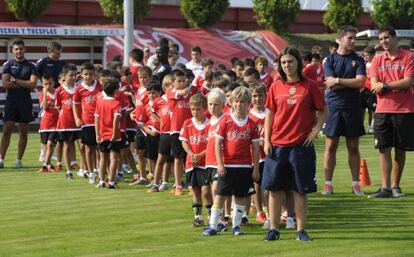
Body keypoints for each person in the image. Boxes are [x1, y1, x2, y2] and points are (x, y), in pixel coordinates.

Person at [262, 47, 327, 241]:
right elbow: (270, 114)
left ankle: (300, 231)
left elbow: (323, 110)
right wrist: (266, 140)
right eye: (283, 62)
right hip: (277, 144)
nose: (287, 65)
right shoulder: (275, 86)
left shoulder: (310, 85)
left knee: (300, 189)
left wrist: (316, 130)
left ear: (298, 62)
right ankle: (274, 230)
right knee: (274, 189)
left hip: (301, 146)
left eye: (290, 61)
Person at [203, 86, 260, 237]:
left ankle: (236, 226)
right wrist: (220, 164)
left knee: (240, 196)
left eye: (242, 102)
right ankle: (213, 226)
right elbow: (217, 143)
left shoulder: (252, 125)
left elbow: (255, 148)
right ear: (232, 102)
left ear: (248, 104)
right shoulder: (225, 121)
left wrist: (255, 168)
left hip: (244, 167)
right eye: (236, 101)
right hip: (227, 166)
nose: (238, 105)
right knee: (220, 195)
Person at [368, 26, 414, 198]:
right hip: (382, 111)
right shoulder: (377, 60)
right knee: (383, 149)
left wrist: (385, 85)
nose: (384, 41)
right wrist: (380, 86)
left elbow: (408, 82)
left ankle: (396, 186)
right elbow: (373, 85)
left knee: (400, 149)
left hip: (405, 110)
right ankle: (385, 187)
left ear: (396, 38)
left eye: (386, 37)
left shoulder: (408, 57)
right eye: (381, 39)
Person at [322, 25, 366, 196]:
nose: (354, 41)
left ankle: (356, 184)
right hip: (333, 108)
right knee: (331, 146)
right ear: (339, 39)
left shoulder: (359, 59)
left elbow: (360, 82)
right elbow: (328, 84)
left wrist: (338, 81)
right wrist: (349, 82)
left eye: (355, 38)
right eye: (350, 38)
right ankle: (328, 184)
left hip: (353, 107)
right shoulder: (329, 60)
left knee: (353, 147)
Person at [0, 38, 38, 168]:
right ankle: (1, 159)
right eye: (16, 49)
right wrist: (23, 83)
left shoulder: (31, 66)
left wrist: (15, 80)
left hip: (25, 102)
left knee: (23, 131)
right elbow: (5, 84)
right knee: (7, 130)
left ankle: (18, 160)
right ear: (12, 51)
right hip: (11, 102)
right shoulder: (8, 65)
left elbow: (33, 84)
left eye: (21, 48)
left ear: (24, 49)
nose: (19, 51)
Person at [179, 93, 211, 227]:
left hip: (205, 163)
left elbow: (212, 144)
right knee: (195, 191)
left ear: (205, 109)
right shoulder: (187, 123)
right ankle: (198, 217)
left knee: (206, 191)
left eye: (198, 109)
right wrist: (191, 153)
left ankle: (211, 215)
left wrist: (201, 155)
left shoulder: (210, 124)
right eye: (193, 109)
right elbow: (184, 141)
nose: (195, 112)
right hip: (191, 163)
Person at [166, 69, 199, 195]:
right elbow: (182, 92)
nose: (182, 83)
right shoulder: (171, 92)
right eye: (178, 81)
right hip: (176, 130)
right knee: (178, 158)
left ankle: (191, 185)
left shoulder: (194, 91)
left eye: (183, 80)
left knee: (190, 158)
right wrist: (189, 87)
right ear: (173, 83)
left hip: (191, 129)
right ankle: (178, 185)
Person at [73, 62, 101, 183]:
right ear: (81, 75)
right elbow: (75, 104)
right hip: (87, 121)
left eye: (90, 74)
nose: (88, 77)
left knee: (100, 149)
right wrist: (77, 118)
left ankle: (100, 169)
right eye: (85, 74)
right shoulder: (79, 88)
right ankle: (91, 172)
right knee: (89, 148)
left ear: (94, 74)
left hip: (100, 121)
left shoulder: (100, 86)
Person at [94, 77, 122, 189]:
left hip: (102, 134)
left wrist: (97, 134)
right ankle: (111, 182)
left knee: (102, 158)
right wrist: (114, 134)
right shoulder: (116, 103)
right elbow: (116, 119)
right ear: (115, 90)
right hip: (114, 135)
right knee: (113, 158)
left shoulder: (100, 102)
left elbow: (96, 118)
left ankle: (101, 181)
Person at [55, 64, 81, 180]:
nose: (73, 77)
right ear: (64, 76)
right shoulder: (59, 90)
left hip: (78, 122)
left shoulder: (79, 88)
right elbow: (58, 106)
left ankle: (84, 168)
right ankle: (68, 170)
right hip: (65, 123)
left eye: (75, 75)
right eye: (71, 75)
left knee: (82, 145)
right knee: (67, 145)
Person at [38, 74, 59, 172]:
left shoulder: (58, 92)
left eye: (50, 83)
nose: (48, 86)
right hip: (45, 124)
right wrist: (45, 94)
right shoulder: (43, 94)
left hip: (56, 124)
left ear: (54, 82)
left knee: (50, 144)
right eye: (46, 84)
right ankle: (49, 165)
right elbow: (45, 107)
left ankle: (45, 165)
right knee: (46, 146)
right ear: (42, 84)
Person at [361, 46, 377, 134]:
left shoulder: (376, 64)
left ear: (372, 55)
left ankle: (371, 126)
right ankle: (361, 126)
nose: (365, 57)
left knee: (372, 110)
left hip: (372, 90)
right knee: (362, 109)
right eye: (365, 55)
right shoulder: (364, 64)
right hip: (364, 90)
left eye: (367, 55)